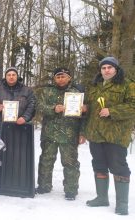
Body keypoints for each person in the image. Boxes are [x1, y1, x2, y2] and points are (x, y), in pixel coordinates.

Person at [84, 57, 135, 215]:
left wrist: (112, 111)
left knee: (118, 167)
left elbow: (133, 106)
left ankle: (122, 204)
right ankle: (101, 198)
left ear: (116, 69)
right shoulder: (95, 86)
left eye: (109, 67)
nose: (106, 70)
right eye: (103, 67)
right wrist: (84, 108)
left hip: (115, 135)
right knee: (98, 165)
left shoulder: (128, 85)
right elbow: (90, 105)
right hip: (95, 133)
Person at [35, 67, 86, 200]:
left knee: (70, 163)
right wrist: (53, 108)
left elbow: (85, 115)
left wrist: (82, 132)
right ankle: (44, 186)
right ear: (54, 78)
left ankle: (71, 190)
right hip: (49, 133)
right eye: (58, 77)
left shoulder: (77, 92)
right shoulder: (47, 91)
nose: (60, 79)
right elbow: (39, 106)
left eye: (63, 76)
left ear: (69, 77)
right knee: (46, 161)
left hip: (69, 134)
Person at [0, 67, 36, 198]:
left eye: (13, 74)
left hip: (21, 128)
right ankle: (1, 182)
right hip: (1, 127)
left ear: (17, 76)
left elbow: (32, 105)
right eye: (8, 74)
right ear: (5, 77)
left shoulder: (27, 90)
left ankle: (19, 180)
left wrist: (25, 118)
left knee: (18, 155)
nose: (11, 77)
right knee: (1, 155)